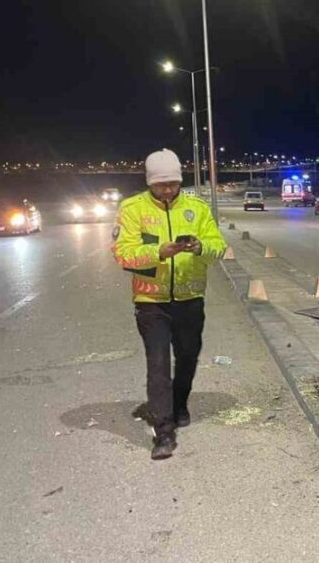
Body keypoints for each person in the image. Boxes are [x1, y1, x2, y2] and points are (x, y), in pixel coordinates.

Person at [112, 149, 226, 459]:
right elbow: (123, 253)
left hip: (190, 299)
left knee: (188, 357)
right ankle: (163, 431)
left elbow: (219, 247)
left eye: (173, 184)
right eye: (161, 185)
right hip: (151, 301)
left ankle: (179, 403)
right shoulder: (132, 209)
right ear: (149, 183)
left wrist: (201, 246)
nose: (168, 190)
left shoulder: (197, 208)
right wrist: (159, 252)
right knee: (158, 364)